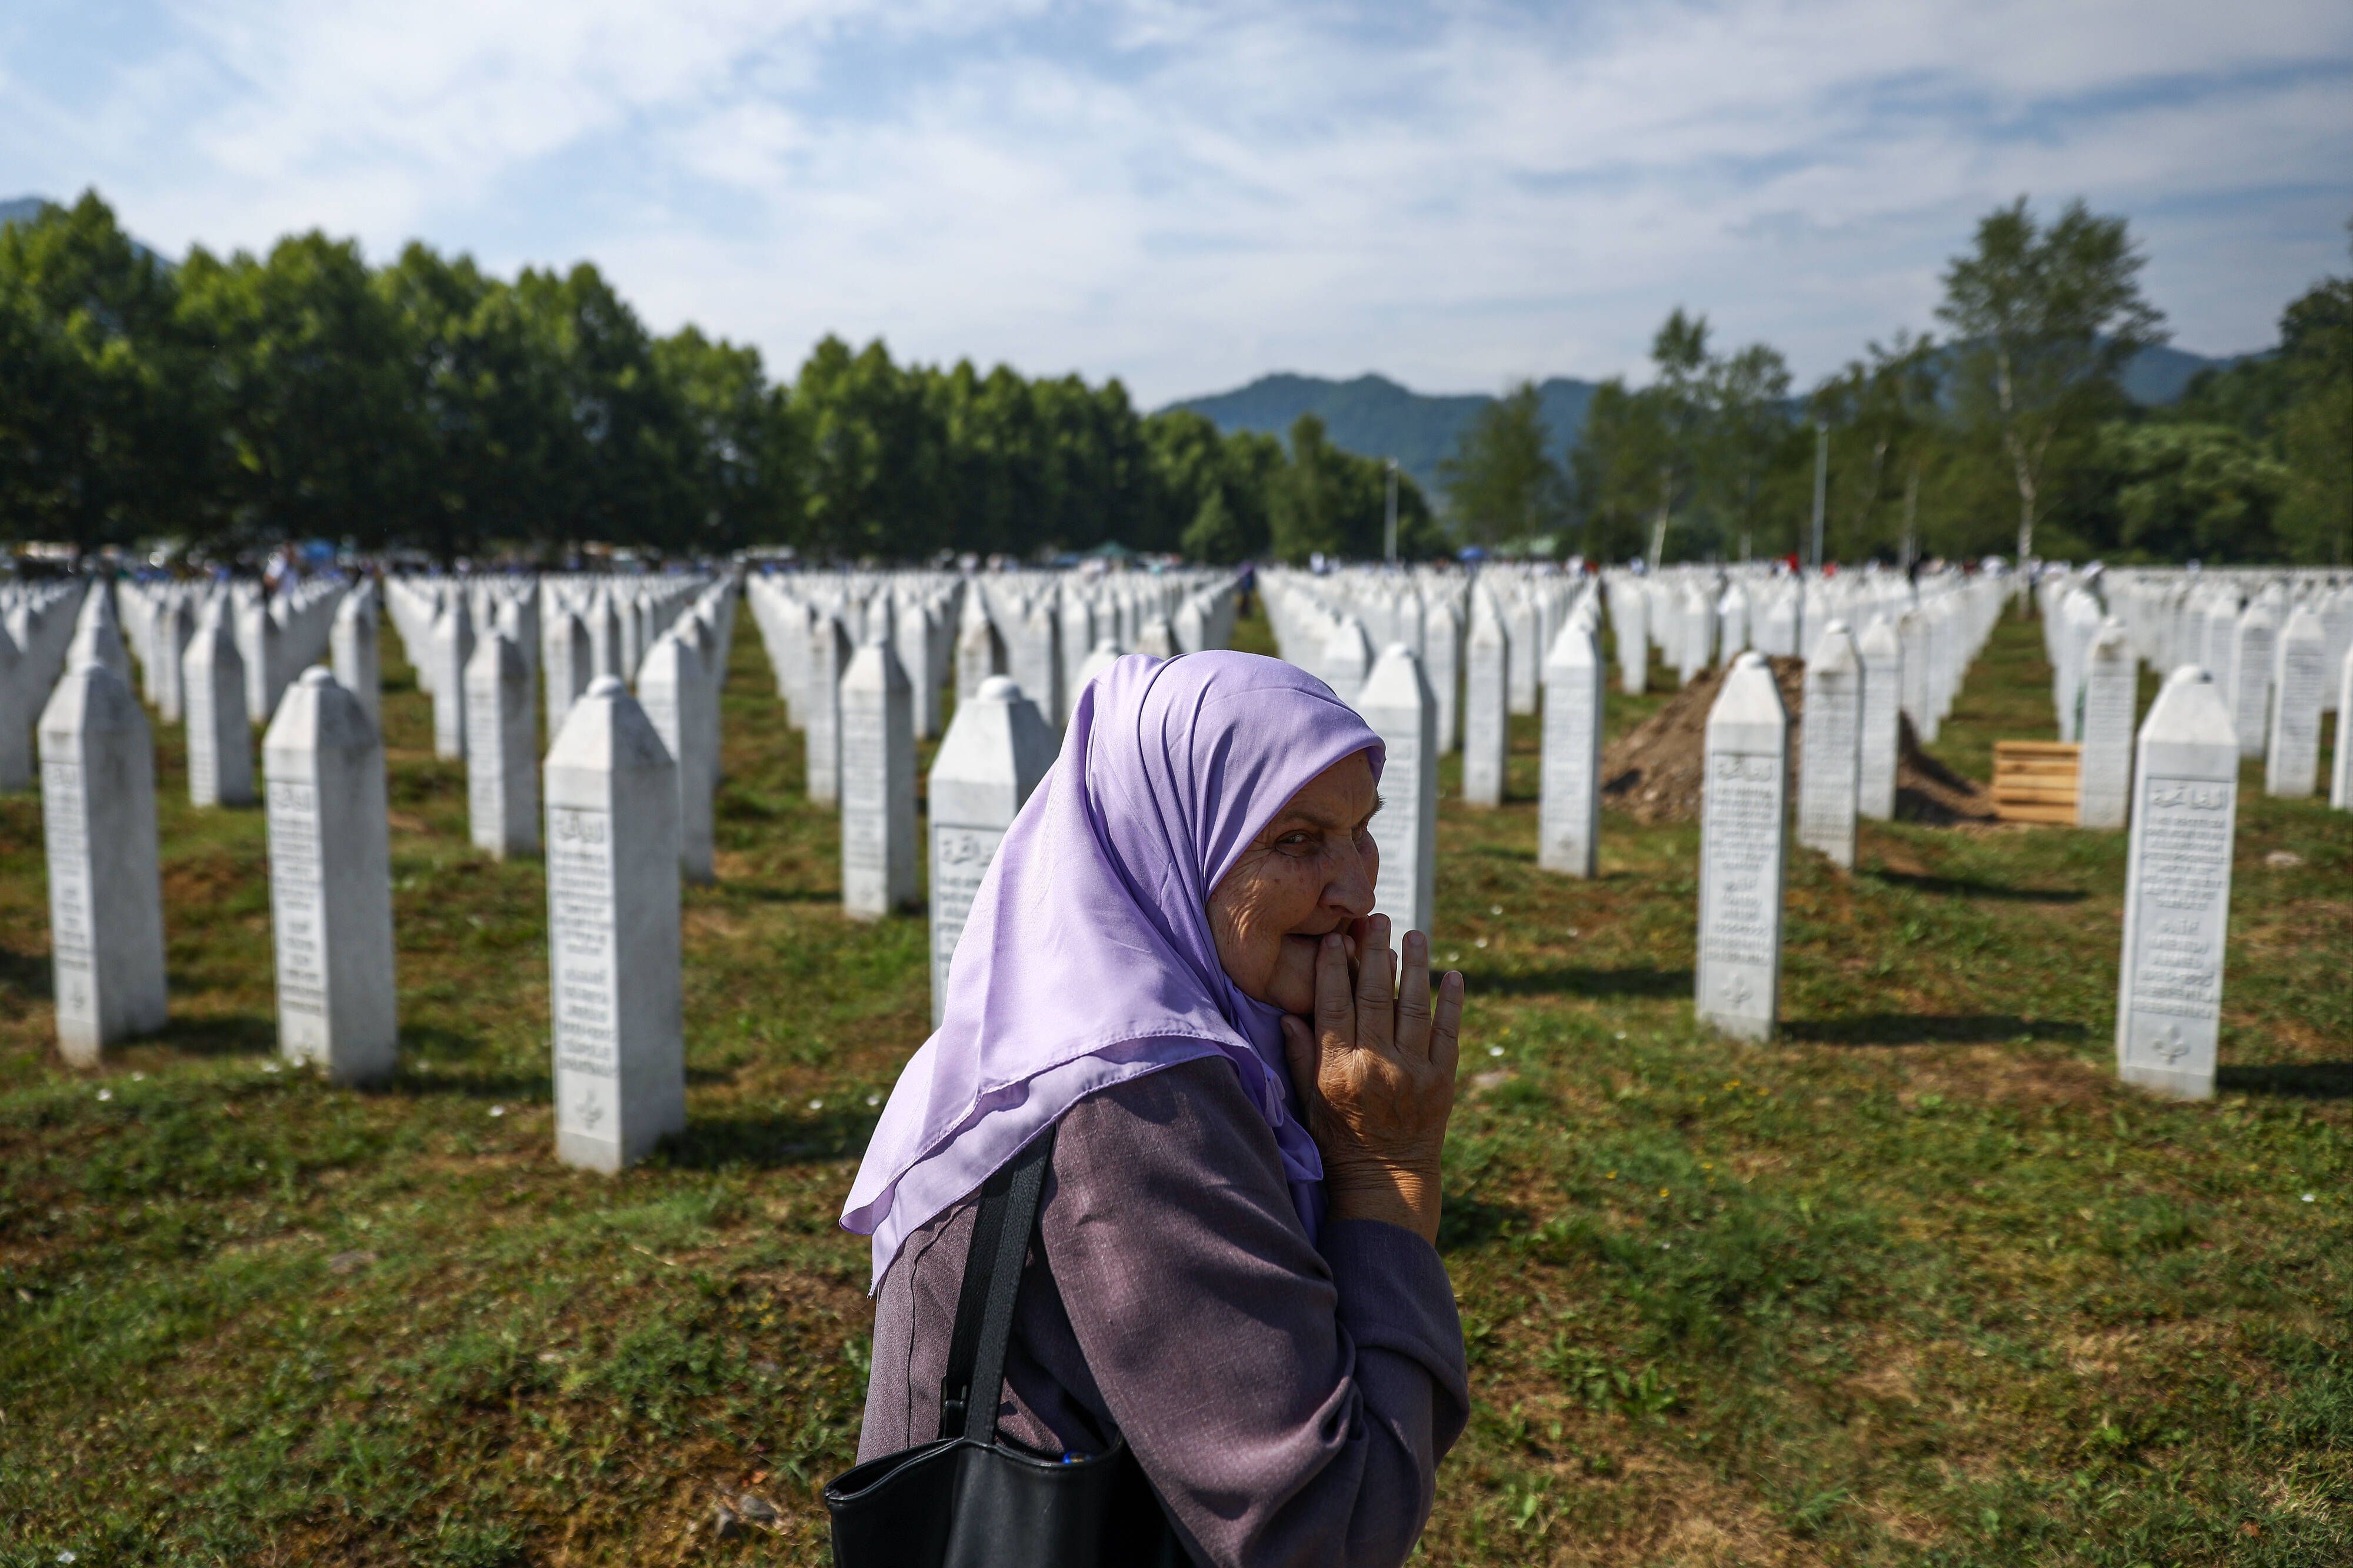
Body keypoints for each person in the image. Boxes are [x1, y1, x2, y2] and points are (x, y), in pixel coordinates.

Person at [845, 650, 1469, 1568]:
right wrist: (1388, 1168)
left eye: (1361, 830)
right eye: (1296, 840)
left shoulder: (1135, 1029)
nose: (1358, 888)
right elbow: (1325, 1530)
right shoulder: (1133, 1109)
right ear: (1170, 839)